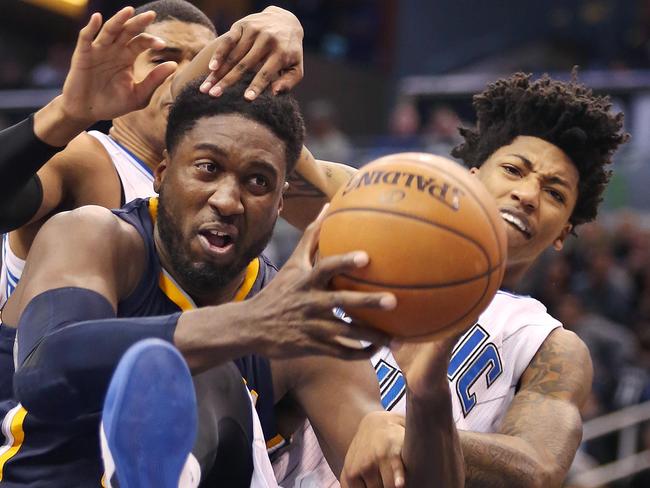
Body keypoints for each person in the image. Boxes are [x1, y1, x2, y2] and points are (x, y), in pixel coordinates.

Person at [0, 78, 464, 487]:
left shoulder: (303, 327)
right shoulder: (92, 235)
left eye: (257, 182)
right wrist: (248, 323)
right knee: (198, 366)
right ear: (162, 174)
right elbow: (45, 370)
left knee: (214, 377)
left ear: (281, 203)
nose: (227, 200)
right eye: (207, 168)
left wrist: (428, 395)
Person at [241, 72, 627, 487]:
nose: (528, 195)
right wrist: (260, 51)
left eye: (555, 194)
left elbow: (538, 468)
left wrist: (405, 431)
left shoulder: (548, 342)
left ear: (563, 234)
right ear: (472, 177)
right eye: (514, 170)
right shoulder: (386, 221)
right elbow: (273, 155)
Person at [0, 0, 305, 307]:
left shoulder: (247, 182)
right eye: (164, 59)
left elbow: (338, 205)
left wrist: (285, 17)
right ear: (119, 71)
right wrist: (66, 113)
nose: (186, 80)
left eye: (203, 64)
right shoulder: (87, 159)